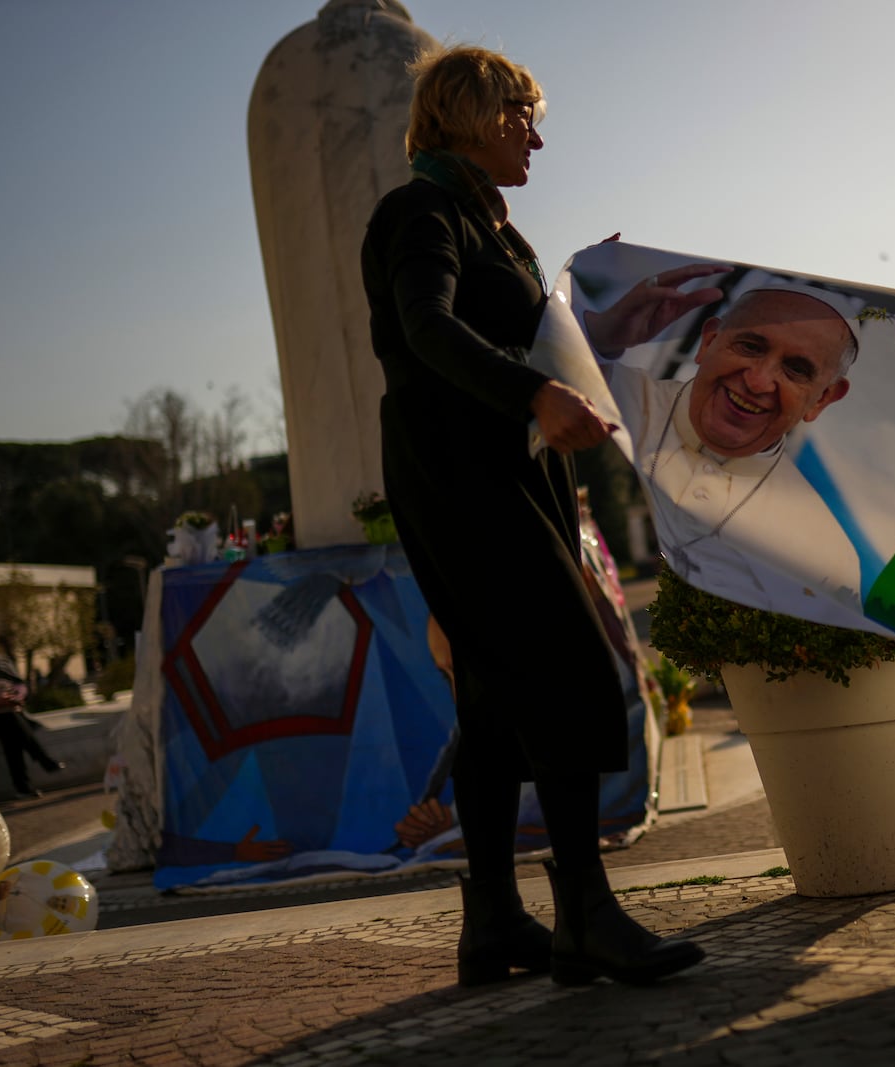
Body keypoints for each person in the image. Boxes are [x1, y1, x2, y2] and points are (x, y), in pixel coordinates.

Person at [361, 44, 703, 988]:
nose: (537, 140)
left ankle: (496, 922)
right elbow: (427, 328)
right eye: (522, 118)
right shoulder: (420, 211)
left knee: (494, 696)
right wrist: (532, 396)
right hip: (464, 480)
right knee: (566, 668)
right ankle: (585, 917)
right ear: (472, 113)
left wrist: (617, 315)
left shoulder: (491, 229)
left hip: (511, 473)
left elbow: (529, 337)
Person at [584, 279, 867, 625]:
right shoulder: (597, 391)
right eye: (749, 346)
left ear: (822, 398)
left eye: (795, 369)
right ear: (709, 342)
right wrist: (592, 338)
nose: (758, 381)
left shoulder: (827, 558)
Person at [0, 620, 64, 799]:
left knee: (11, 729)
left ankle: (24, 787)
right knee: (11, 722)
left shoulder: (0, 663)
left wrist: (15, 698)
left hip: (2, 716)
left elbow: (20, 685)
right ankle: (42, 760)